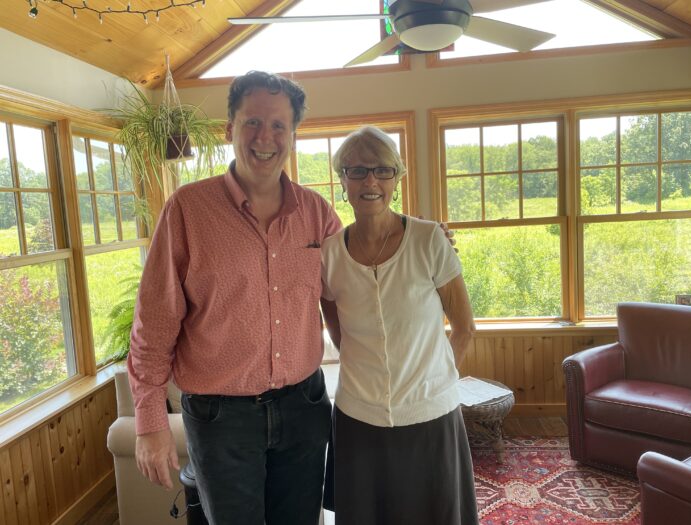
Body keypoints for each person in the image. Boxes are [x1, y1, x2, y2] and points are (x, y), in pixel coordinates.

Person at [127, 71, 343, 525]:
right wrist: (149, 422)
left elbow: (357, 286)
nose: (265, 138)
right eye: (252, 123)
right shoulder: (187, 210)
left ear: (292, 134)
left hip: (303, 407)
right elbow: (155, 322)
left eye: (279, 125)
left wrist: (418, 242)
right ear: (229, 129)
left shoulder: (317, 213)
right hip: (220, 417)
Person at [320, 126, 480, 525]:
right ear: (342, 179)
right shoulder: (329, 256)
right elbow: (338, 330)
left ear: (397, 177)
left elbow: (464, 327)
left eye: (382, 170)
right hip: (359, 419)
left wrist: (436, 379)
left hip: (431, 415)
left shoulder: (428, 240)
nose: (370, 181)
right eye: (356, 170)